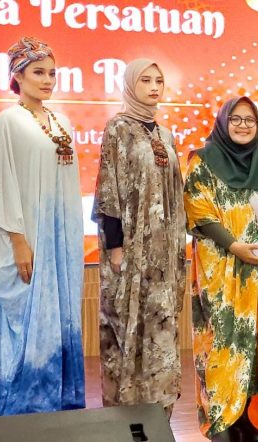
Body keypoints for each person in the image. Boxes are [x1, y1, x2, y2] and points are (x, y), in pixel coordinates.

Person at [184, 96, 258, 442]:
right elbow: (198, 211)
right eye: (235, 119)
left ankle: (254, 418)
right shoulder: (202, 161)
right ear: (223, 122)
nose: (243, 125)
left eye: (250, 119)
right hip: (223, 268)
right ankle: (221, 419)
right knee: (223, 340)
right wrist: (235, 246)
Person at [0, 36, 85, 416]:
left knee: (61, 315)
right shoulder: (9, 120)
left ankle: (61, 405)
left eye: (52, 73)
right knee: (25, 315)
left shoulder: (61, 121)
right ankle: (23, 411)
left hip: (61, 239)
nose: (47, 80)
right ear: (18, 76)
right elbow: (3, 182)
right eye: (38, 72)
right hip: (26, 235)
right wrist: (18, 240)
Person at [92, 59, 186, 416]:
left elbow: (175, 194)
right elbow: (108, 191)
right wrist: (116, 248)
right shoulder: (117, 128)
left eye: (159, 80)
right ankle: (125, 417)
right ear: (131, 85)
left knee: (161, 331)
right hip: (130, 253)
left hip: (164, 257)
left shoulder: (165, 134)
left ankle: (158, 415)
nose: (154, 87)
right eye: (145, 80)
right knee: (127, 329)